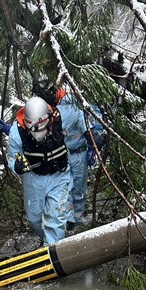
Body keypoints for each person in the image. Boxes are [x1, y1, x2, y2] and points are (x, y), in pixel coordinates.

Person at [4, 95, 89, 246]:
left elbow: (77, 113)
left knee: (55, 218)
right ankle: (47, 239)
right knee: (34, 218)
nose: (38, 132)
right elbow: (12, 157)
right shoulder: (17, 133)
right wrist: (16, 166)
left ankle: (52, 248)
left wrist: (88, 132)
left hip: (59, 175)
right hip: (33, 178)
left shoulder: (62, 117)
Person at [32, 79, 105, 229]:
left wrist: (94, 144)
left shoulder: (73, 106)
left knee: (78, 189)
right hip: (62, 154)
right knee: (66, 188)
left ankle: (76, 220)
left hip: (78, 154)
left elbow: (90, 129)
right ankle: (69, 221)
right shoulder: (47, 112)